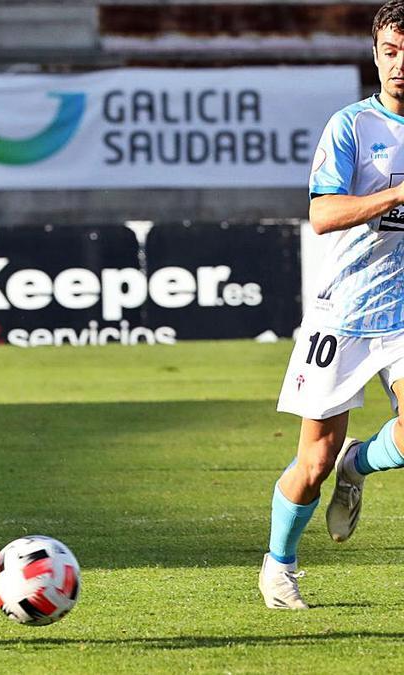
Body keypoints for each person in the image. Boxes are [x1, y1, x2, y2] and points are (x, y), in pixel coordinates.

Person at [261, 0, 404, 610]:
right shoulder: (350, 125)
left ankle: (362, 466)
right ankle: (279, 565)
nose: (401, 64)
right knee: (313, 461)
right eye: (392, 51)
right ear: (374, 54)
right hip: (342, 311)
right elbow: (323, 214)